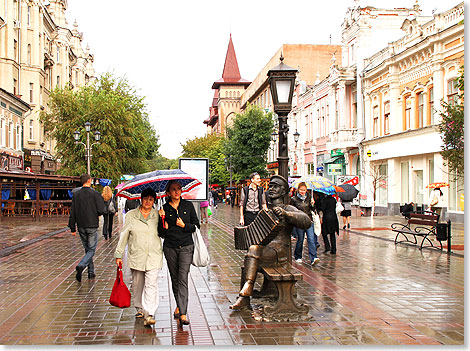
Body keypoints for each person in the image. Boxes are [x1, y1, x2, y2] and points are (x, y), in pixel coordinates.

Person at [230, 175, 311, 310]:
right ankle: (245, 296)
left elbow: (306, 221)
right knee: (251, 253)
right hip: (268, 251)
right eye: (271, 186)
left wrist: (286, 214)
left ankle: (245, 294)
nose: (271, 189)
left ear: (284, 191)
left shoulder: (288, 208)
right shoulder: (266, 211)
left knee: (254, 250)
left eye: (276, 186)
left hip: (280, 253)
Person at [114, 187, 163, 327]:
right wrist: (118, 254)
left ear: (154, 201)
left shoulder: (158, 215)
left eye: (151, 199)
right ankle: (139, 308)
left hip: (153, 254)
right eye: (146, 198)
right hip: (137, 254)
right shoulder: (131, 215)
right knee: (137, 284)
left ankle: (149, 313)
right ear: (141, 199)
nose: (148, 202)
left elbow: (164, 232)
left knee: (151, 284)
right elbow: (124, 236)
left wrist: (164, 217)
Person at [158, 180, 199, 326]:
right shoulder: (164, 208)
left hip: (186, 246)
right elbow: (161, 233)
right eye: (173, 189)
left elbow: (196, 226)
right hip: (170, 247)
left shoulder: (187, 205)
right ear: (168, 192)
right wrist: (162, 219)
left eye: (179, 189)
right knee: (175, 278)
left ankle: (183, 313)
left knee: (182, 278)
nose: (176, 192)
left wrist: (184, 225)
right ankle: (179, 305)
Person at [68, 174, 106, 282]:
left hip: (81, 225)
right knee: (92, 250)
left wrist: (72, 227)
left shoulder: (76, 194)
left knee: (87, 249)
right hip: (92, 224)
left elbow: (73, 212)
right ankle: (81, 265)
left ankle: (91, 271)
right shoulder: (95, 194)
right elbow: (101, 209)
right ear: (89, 181)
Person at [290, 182, 320, 266]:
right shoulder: (294, 199)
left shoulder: (309, 197)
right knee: (300, 239)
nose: (303, 192)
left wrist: (313, 205)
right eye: (301, 190)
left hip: (309, 220)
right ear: (298, 190)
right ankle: (297, 256)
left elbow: (312, 209)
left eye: (304, 190)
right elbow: (291, 210)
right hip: (300, 222)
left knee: (311, 239)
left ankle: (313, 258)